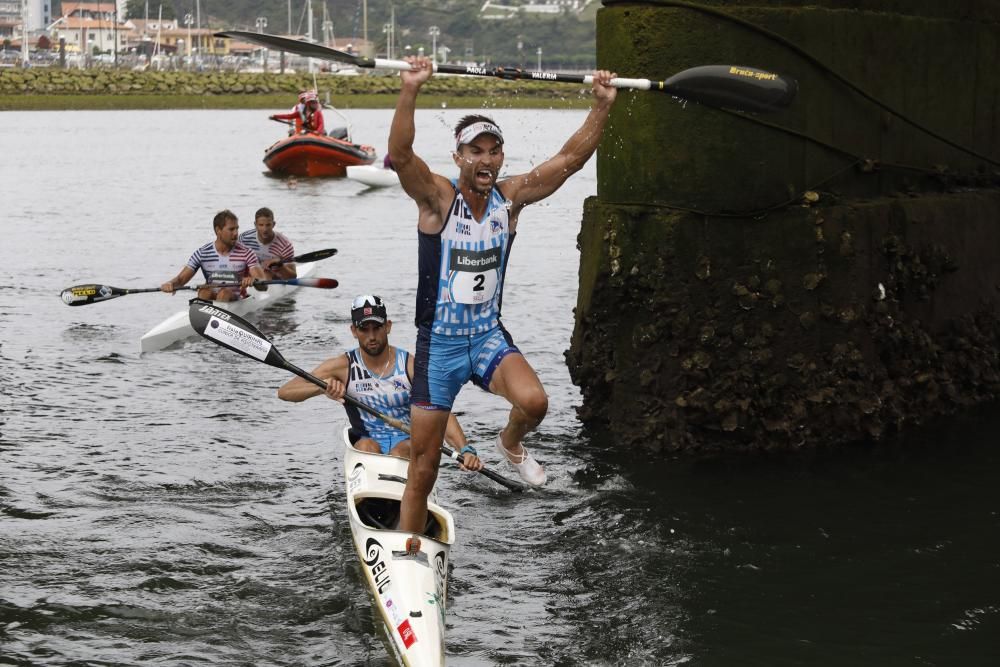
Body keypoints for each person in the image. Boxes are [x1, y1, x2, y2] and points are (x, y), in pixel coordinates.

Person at [388, 56, 618, 544]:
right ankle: (409, 548)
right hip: (441, 347)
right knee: (426, 465)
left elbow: (569, 161)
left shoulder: (511, 199)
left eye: (495, 151)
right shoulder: (437, 201)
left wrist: (602, 106)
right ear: (459, 158)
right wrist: (410, 89)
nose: (487, 159)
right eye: (477, 150)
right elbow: (402, 158)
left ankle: (510, 444)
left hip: (487, 338)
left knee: (535, 402)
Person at [277, 295, 482, 470]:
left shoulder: (410, 366)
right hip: (368, 443)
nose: (372, 336)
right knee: (367, 447)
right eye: (364, 329)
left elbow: (439, 411)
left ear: (388, 326)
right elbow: (285, 392)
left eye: (377, 327)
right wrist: (323, 387)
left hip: (408, 443)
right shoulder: (343, 366)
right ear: (353, 331)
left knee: (401, 451)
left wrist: (464, 449)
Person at [160, 209, 267, 302]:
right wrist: (170, 284)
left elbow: (264, 284)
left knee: (224, 293)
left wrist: (254, 281)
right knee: (204, 291)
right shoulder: (202, 253)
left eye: (237, 228)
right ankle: (203, 317)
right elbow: (180, 280)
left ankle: (211, 319)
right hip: (211, 297)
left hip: (235, 299)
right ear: (218, 230)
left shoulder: (247, 253)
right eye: (231, 229)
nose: (236, 233)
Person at [239, 207, 297, 280]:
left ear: (273, 224)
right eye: (261, 225)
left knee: (267, 274)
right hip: (250, 275)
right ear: (255, 225)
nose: (265, 229)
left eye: (268, 225)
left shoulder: (285, 245)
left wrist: (280, 265)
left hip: (272, 276)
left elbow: (293, 277)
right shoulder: (243, 238)